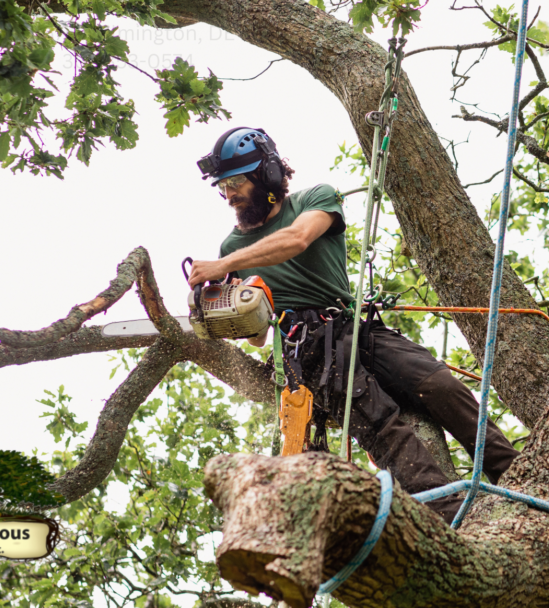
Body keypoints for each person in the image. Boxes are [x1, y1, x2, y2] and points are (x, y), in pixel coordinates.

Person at [187, 127, 519, 523]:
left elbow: (296, 240)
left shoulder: (315, 199)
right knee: (382, 424)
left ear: (269, 175)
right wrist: (229, 309)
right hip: (307, 348)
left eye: (237, 182)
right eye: (223, 186)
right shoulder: (232, 248)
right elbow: (259, 337)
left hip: (352, 327)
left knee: (439, 384)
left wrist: (224, 266)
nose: (229, 194)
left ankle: (517, 477)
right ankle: (453, 519)